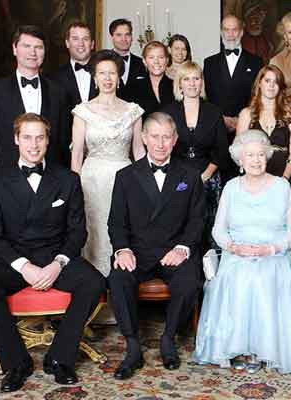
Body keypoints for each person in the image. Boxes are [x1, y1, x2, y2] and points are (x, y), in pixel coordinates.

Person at [0, 113, 105, 392]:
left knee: (94, 283)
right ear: (16, 140)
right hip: (14, 259)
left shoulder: (68, 179)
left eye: (40, 138)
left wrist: (58, 264)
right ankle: (16, 362)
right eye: (27, 138)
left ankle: (60, 358)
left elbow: (77, 232)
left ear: (48, 140)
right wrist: (24, 266)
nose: (34, 145)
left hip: (55, 256)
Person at [193, 129, 291, 375]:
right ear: (240, 160)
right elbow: (218, 230)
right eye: (250, 155)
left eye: (261, 155)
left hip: (274, 253)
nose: (256, 160)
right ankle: (239, 348)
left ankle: (261, 349)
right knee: (238, 276)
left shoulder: (282, 186)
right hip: (237, 253)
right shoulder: (231, 187)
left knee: (262, 277)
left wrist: (270, 248)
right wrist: (234, 247)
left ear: (268, 157)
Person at [108, 112, 205, 380]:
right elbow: (116, 222)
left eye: (166, 137)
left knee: (190, 281)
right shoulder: (125, 176)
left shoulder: (190, 175)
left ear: (175, 140)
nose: (160, 144)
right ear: (144, 138)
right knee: (118, 278)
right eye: (155, 137)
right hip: (138, 252)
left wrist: (183, 248)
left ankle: (169, 337)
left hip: (174, 250)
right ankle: (132, 345)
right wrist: (122, 249)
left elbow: (198, 220)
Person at [70, 50, 144, 279]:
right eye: (102, 73)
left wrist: (146, 184)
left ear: (119, 77)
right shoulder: (82, 111)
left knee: (123, 229)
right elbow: (77, 154)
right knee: (95, 232)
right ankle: (94, 287)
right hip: (91, 182)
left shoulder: (133, 111)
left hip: (125, 178)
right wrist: (74, 189)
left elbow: (139, 151)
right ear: (95, 78)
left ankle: (120, 282)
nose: (107, 78)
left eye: (112, 73)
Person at [0, 25, 69, 170]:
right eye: (26, 46)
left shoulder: (59, 92)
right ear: (14, 49)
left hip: (52, 173)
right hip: (9, 173)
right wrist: (15, 162)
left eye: (38, 47)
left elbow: (63, 140)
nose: (32, 52)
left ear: (44, 51)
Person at [162, 61, 229, 250]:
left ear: (202, 82)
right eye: (187, 79)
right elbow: (163, 148)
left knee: (208, 228)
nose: (192, 83)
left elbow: (221, 149)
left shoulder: (214, 112)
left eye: (196, 78)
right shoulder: (168, 112)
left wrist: (206, 175)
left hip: (208, 177)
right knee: (180, 226)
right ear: (179, 84)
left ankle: (209, 264)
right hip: (177, 178)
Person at [203, 14, 263, 179]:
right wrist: (220, 118)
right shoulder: (209, 63)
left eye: (234, 30)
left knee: (244, 176)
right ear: (221, 32)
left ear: (241, 32)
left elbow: (258, 96)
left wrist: (241, 120)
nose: (230, 34)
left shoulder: (256, 62)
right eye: (226, 30)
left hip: (247, 130)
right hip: (216, 131)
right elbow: (206, 97)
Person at [236, 65, 291, 183]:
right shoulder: (246, 114)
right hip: (254, 178)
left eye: (276, 82)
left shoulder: (289, 114)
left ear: (280, 87)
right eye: (267, 81)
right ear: (259, 83)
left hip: (284, 176)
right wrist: (254, 178)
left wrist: (284, 179)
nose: (271, 85)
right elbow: (239, 150)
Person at [51, 22, 98, 112]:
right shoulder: (54, 78)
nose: (81, 44)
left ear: (92, 44)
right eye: (75, 39)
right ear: (67, 43)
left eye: (85, 39)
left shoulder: (105, 75)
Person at [124, 41, 175, 119]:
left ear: (167, 60)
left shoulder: (176, 86)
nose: (156, 61)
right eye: (151, 57)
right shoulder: (132, 87)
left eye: (161, 57)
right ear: (144, 61)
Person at [108, 18, 147, 95]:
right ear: (112, 37)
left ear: (132, 37)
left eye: (127, 35)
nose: (124, 39)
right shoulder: (103, 62)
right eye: (119, 35)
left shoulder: (142, 63)